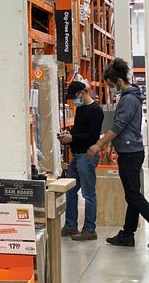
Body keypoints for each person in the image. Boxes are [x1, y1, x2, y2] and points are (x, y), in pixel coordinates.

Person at [86, 58, 149, 248]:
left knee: (133, 195)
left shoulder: (129, 99)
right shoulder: (130, 97)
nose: (110, 89)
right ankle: (127, 234)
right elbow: (121, 128)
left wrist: (99, 144)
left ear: (118, 81)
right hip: (129, 151)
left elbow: (118, 126)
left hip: (130, 153)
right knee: (132, 194)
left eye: (110, 85)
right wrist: (111, 145)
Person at [58, 79, 104, 241]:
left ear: (83, 93)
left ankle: (90, 229)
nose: (73, 101)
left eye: (75, 97)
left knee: (88, 193)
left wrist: (72, 138)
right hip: (77, 156)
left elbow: (92, 136)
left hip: (87, 156)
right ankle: (70, 225)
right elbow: (79, 131)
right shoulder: (81, 110)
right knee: (70, 191)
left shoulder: (95, 110)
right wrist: (67, 135)